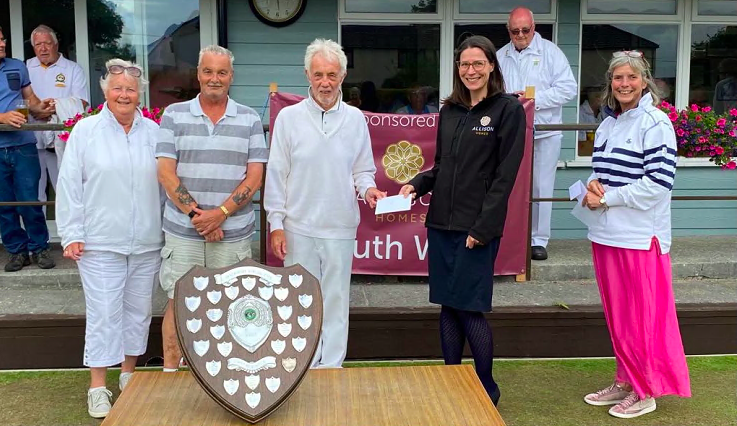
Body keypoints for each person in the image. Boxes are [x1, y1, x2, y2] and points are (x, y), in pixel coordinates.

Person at [399, 35, 526, 406]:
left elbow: (506, 177)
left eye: (477, 63)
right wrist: (416, 184)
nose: (470, 70)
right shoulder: (450, 111)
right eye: (464, 64)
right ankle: (452, 383)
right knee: (447, 306)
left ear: (491, 66)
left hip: (476, 230)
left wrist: (483, 228)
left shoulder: (507, 110)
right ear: (458, 69)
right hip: (440, 224)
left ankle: (487, 390)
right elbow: (442, 167)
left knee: (470, 309)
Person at [581, 50, 690, 419]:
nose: (624, 84)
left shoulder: (656, 123)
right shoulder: (609, 123)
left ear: (645, 81)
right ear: (610, 83)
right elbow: (605, 171)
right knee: (620, 317)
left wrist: (608, 197)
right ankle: (626, 380)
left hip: (641, 237)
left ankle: (646, 390)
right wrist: (596, 185)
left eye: (631, 77)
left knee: (643, 318)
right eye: (617, 78)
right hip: (607, 233)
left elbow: (659, 182)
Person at [264, 38, 386, 368]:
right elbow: (276, 174)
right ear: (307, 74)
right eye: (318, 74)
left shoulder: (356, 119)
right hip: (298, 227)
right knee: (300, 301)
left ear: (343, 76)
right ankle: (302, 367)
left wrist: (369, 191)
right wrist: (276, 224)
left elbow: (363, 171)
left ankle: (331, 368)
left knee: (335, 300)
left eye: (331, 75)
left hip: (340, 227)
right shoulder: (288, 118)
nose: (325, 83)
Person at [56, 59, 163, 418]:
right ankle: (98, 386)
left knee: (138, 313)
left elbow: (165, 186)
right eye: (117, 88)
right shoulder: (86, 131)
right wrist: (71, 233)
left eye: (131, 90)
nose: (124, 95)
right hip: (99, 242)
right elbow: (69, 185)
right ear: (104, 91)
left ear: (140, 94)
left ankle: (129, 376)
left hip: (147, 240)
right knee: (103, 313)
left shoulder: (154, 133)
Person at [156, 45, 268, 372]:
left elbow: (255, 175)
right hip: (183, 233)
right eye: (208, 71)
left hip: (231, 234)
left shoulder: (249, 119)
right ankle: (170, 376)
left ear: (231, 77)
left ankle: (223, 379)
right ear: (198, 74)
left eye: (222, 72)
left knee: (232, 307)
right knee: (179, 304)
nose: (214, 78)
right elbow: (165, 172)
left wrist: (219, 213)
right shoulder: (173, 116)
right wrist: (198, 217)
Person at [497, 7, 577, 261]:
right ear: (508, 30)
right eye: (514, 30)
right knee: (507, 183)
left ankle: (538, 240)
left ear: (534, 27)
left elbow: (568, 89)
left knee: (541, 185)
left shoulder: (551, 52)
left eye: (525, 30)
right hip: (509, 133)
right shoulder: (499, 55)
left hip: (544, 131)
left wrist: (533, 100)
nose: (520, 35)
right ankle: (509, 235)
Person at [0, 25, 56, 272]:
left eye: (2, 39)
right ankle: (16, 251)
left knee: (30, 201)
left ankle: (40, 247)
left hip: (23, 145)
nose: (2, 44)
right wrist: (2, 117)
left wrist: (40, 108)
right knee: (4, 204)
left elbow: (29, 99)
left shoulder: (17, 66)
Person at [26, 25, 88, 210]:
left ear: (55, 44)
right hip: (31, 138)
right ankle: (37, 236)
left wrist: (51, 108)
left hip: (60, 140)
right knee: (33, 192)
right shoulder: (25, 67)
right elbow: (17, 99)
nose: (43, 48)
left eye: (47, 43)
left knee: (64, 187)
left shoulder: (72, 69)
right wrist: (35, 110)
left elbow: (82, 102)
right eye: (38, 44)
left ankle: (66, 234)